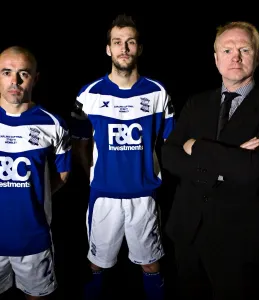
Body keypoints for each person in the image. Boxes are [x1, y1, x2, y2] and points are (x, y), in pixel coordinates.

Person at [161, 21, 259, 300]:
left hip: (237, 240)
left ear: (257, 56)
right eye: (228, 49)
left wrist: (195, 145)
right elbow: (169, 155)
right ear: (216, 58)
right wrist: (227, 161)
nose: (236, 56)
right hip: (187, 231)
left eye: (245, 49)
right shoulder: (196, 103)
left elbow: (251, 169)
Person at [70, 14, 175, 300]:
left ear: (139, 48)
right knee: (96, 263)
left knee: (151, 263)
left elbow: (172, 141)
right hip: (103, 195)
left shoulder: (158, 93)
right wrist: (93, 173)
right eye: (117, 42)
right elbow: (80, 143)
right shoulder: (88, 94)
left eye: (130, 42)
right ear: (108, 49)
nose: (124, 48)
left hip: (144, 194)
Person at [0, 46, 72, 299]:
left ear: (36, 78)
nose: (15, 81)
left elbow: (63, 174)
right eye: (7, 72)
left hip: (33, 240)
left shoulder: (52, 124)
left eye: (24, 74)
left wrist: (33, 194)